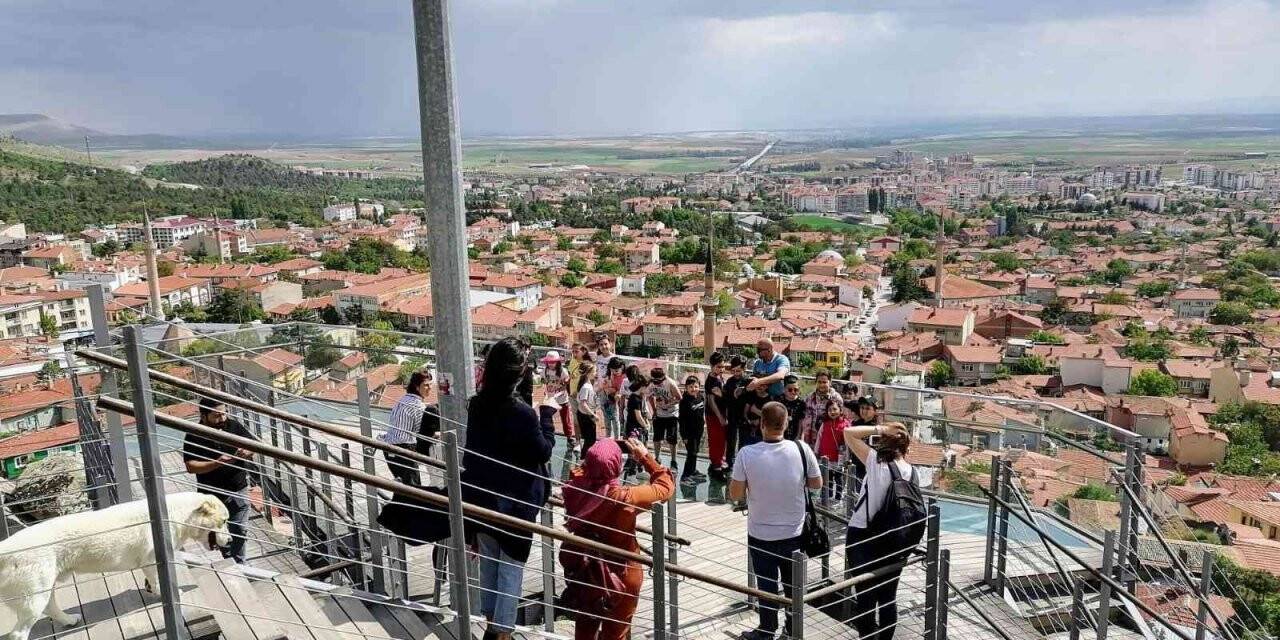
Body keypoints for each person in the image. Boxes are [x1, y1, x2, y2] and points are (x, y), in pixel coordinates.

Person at [462, 338, 556, 640]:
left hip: (483, 498)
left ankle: (492, 624)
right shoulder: (523, 413)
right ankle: (502, 633)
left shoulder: (476, 405)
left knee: (489, 561)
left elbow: (470, 454)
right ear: (519, 372)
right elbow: (542, 452)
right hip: (515, 503)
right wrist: (547, 415)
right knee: (511, 566)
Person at [561, 438, 674, 640]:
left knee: (585, 629)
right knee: (616, 633)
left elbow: (586, 469)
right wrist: (645, 457)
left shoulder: (575, 489)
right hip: (622, 575)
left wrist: (597, 456)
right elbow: (665, 487)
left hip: (586, 571)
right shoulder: (623, 498)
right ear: (617, 466)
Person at [728, 403, 822, 640]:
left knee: (766, 585)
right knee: (793, 586)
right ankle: (792, 630)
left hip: (760, 533)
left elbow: (735, 494)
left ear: (761, 425)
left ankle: (767, 629)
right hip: (795, 532)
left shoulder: (746, 454)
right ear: (787, 423)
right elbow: (816, 484)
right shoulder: (802, 449)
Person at [843, 422, 915, 640]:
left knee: (865, 597)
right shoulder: (912, 472)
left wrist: (880, 428)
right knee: (888, 597)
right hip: (895, 542)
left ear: (885, 443)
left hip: (863, 537)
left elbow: (848, 433)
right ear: (906, 448)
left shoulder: (876, 463)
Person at [183, 397, 256, 563]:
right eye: (217, 416)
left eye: (224, 414)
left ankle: (239, 563)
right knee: (218, 531)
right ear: (203, 416)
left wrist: (248, 451)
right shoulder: (193, 434)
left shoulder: (233, 425)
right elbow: (190, 466)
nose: (222, 419)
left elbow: (252, 445)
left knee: (240, 528)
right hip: (212, 494)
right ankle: (229, 558)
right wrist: (217, 463)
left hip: (238, 488)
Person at [378, 371, 430, 486]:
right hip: (404, 450)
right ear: (417, 387)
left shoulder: (403, 400)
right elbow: (421, 433)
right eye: (426, 385)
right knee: (415, 491)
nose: (429, 388)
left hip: (389, 448)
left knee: (404, 488)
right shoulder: (418, 406)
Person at [815, 400, 851, 502]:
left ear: (840, 410)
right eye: (829, 410)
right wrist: (816, 451)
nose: (832, 412)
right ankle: (828, 496)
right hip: (826, 457)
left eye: (835, 409)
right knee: (827, 478)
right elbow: (819, 437)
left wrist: (847, 458)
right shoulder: (825, 424)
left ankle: (838, 498)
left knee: (839, 478)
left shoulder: (846, 425)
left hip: (839, 457)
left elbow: (848, 444)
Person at [543, 351, 578, 451]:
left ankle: (569, 437)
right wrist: (547, 388)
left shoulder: (563, 371)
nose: (551, 364)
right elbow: (543, 381)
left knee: (565, 419)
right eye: (549, 362)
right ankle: (548, 435)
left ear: (558, 362)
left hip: (562, 398)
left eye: (553, 362)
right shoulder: (545, 371)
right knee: (548, 418)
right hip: (550, 398)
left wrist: (562, 386)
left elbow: (566, 383)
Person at [648, 368, 681, 469]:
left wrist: (668, 404)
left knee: (672, 438)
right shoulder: (651, 384)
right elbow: (650, 397)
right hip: (659, 414)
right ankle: (657, 457)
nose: (656, 383)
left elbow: (679, 398)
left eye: (658, 381)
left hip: (672, 414)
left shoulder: (670, 383)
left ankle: (674, 460)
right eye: (655, 381)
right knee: (657, 437)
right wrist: (654, 410)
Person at [801, 369, 843, 447]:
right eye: (819, 382)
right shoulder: (810, 397)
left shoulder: (836, 399)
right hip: (811, 440)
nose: (821, 385)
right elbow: (805, 418)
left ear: (830, 382)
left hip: (829, 439)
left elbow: (840, 420)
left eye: (824, 382)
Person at [704, 352, 729, 480]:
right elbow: (711, 402)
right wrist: (720, 417)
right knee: (716, 441)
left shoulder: (718, 377)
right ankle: (716, 468)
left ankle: (718, 462)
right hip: (714, 416)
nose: (721, 369)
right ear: (712, 366)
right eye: (718, 367)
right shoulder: (712, 381)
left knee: (721, 440)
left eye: (722, 366)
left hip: (719, 414)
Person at [721, 355, 749, 470]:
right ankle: (729, 463)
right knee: (731, 440)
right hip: (732, 415)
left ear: (744, 369)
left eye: (739, 371)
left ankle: (742, 463)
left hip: (744, 416)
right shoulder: (730, 381)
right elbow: (726, 399)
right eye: (734, 371)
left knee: (743, 442)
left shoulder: (748, 381)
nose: (736, 373)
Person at [677, 375, 706, 485]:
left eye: (696, 386)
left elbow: (701, 412)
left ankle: (693, 471)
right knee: (691, 453)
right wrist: (684, 436)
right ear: (686, 388)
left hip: (698, 431)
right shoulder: (684, 402)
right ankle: (685, 476)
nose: (694, 389)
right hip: (689, 433)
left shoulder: (700, 397)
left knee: (695, 452)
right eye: (691, 387)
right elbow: (682, 420)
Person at [575, 365, 600, 458]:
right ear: (588, 373)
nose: (595, 373)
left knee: (590, 440)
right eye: (594, 372)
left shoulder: (588, 385)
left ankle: (585, 458)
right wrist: (593, 414)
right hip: (586, 416)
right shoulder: (586, 387)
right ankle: (584, 458)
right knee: (589, 440)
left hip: (585, 415)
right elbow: (583, 404)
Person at [741, 374, 772, 447]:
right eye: (758, 384)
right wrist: (749, 421)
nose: (760, 387)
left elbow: (769, 417)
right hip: (749, 430)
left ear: (767, 386)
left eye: (763, 385)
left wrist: (756, 411)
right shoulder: (751, 396)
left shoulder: (770, 399)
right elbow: (745, 412)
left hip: (762, 433)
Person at [599, 358, 626, 438]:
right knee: (607, 418)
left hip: (616, 399)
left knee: (615, 419)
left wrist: (616, 392)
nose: (615, 372)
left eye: (617, 371)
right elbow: (604, 386)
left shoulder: (624, 377)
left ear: (622, 367)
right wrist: (607, 387)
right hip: (607, 398)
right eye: (612, 370)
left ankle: (617, 439)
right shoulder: (609, 375)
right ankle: (607, 437)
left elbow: (622, 390)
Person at [779, 375, 806, 441]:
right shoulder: (779, 400)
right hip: (780, 434)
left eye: (796, 389)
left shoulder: (801, 403)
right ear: (784, 389)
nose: (793, 392)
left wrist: (799, 435)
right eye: (790, 390)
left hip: (794, 434)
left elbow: (801, 421)